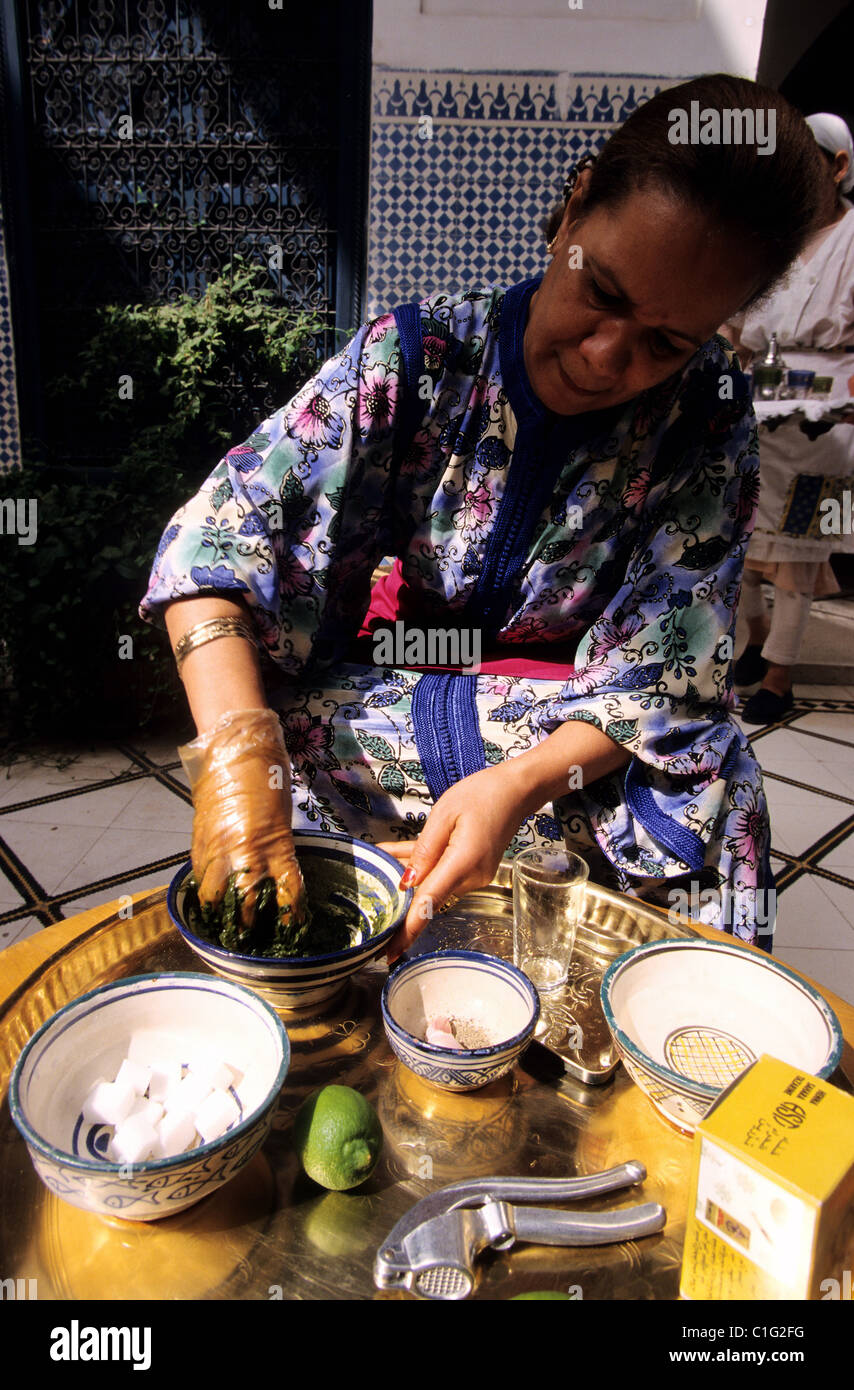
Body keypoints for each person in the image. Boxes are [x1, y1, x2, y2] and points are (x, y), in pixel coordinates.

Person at [141, 74, 823, 952]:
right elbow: (216, 538)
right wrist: (239, 762)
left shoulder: (708, 411)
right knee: (284, 740)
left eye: (666, 343)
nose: (605, 357)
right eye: (605, 294)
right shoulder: (418, 355)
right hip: (396, 682)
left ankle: (672, 1030)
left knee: (714, 780)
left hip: (569, 720)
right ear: (575, 209)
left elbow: (667, 669)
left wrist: (518, 785)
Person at [723, 112, 854, 725]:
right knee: (745, 544)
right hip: (759, 414)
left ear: (839, 166)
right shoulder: (774, 238)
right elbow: (733, 315)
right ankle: (753, 645)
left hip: (830, 424)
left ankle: (780, 678)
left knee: (800, 557)